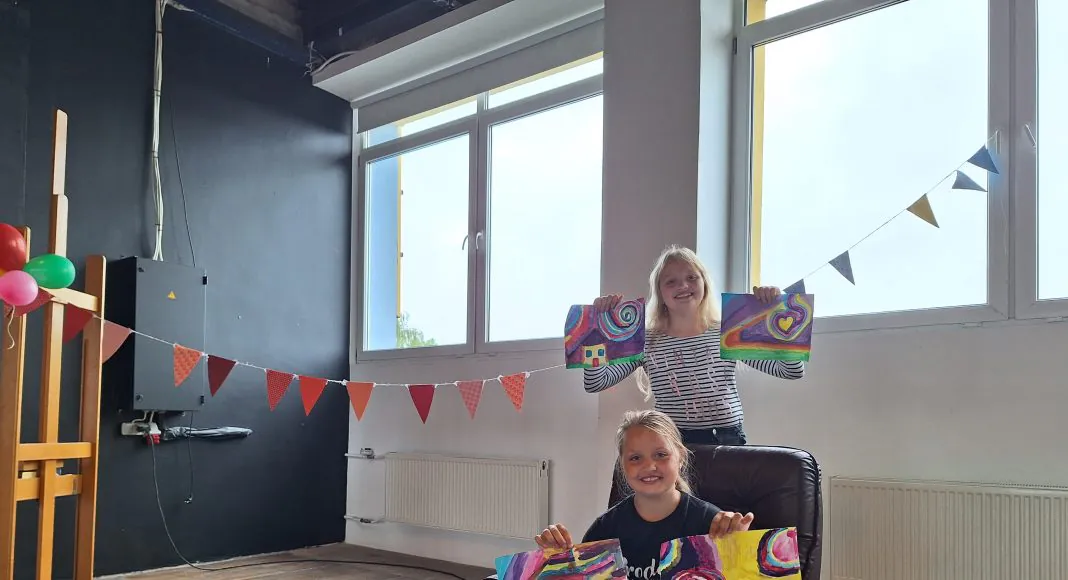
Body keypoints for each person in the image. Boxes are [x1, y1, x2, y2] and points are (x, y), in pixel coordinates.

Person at [584, 245, 805, 446]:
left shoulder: (728, 332)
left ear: (704, 284)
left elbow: (791, 370)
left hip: (727, 440)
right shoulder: (645, 341)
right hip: (672, 443)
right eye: (671, 281)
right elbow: (596, 382)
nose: (683, 285)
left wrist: (778, 310)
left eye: (692, 277)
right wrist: (597, 327)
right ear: (660, 293)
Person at [534, 410, 754, 579]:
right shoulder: (605, 530)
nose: (649, 466)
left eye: (661, 454)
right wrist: (559, 564)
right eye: (635, 458)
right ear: (623, 466)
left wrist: (739, 549)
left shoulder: (711, 525)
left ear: (680, 458)